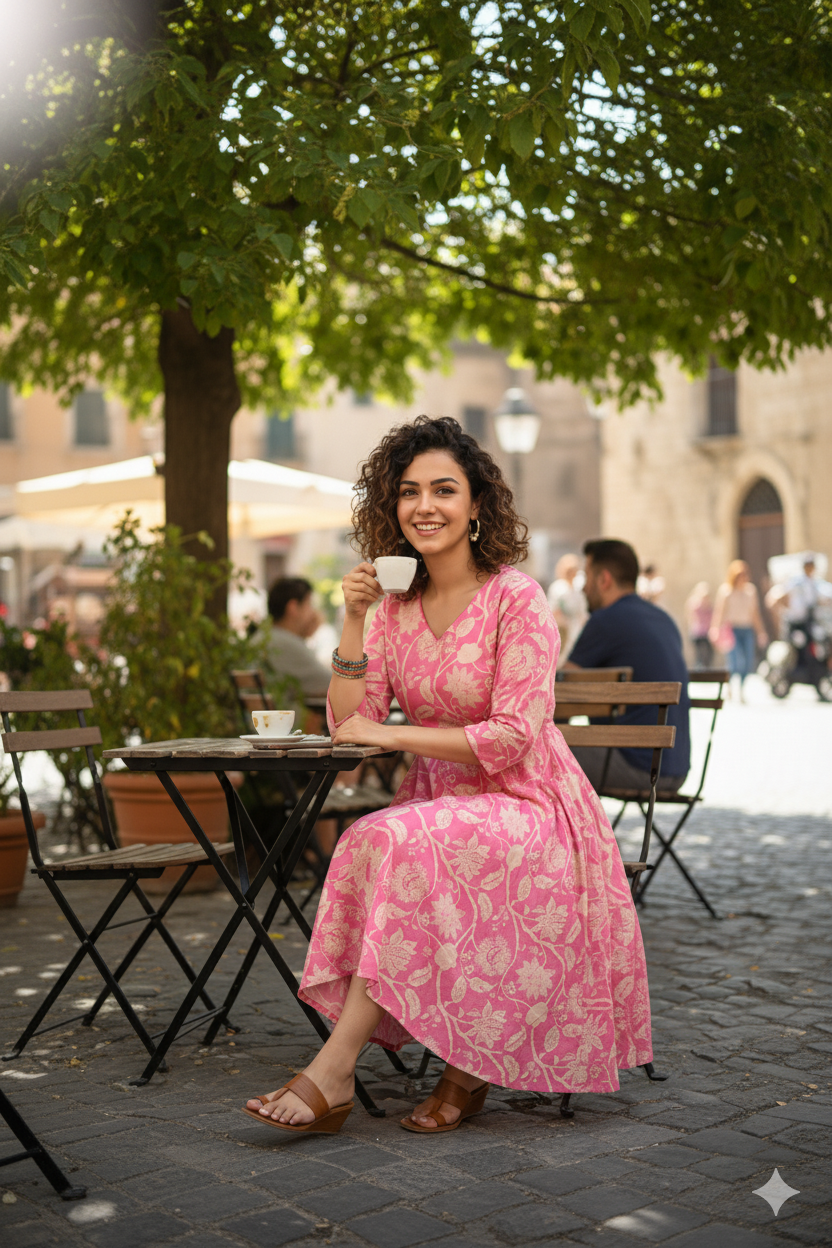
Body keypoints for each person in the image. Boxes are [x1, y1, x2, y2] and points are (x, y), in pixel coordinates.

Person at [244, 417, 652, 1136]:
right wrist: (351, 620)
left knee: (396, 841)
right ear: (391, 509)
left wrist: (393, 733)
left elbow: (515, 733)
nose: (424, 505)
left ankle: (338, 1072)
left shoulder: (515, 598)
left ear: (476, 506)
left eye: (443, 489)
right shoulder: (393, 611)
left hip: (530, 805)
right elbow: (350, 722)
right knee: (374, 837)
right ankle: (426, 1062)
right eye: (408, 492)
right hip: (438, 803)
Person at [563, 539, 691, 794]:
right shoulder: (664, 619)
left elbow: (561, 691)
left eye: (586, 578)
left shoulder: (605, 620)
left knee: (529, 750)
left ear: (604, 580)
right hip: (676, 768)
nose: (584, 589)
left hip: (633, 765)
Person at [264, 577, 331, 699]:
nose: (313, 612)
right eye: (309, 604)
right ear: (293, 607)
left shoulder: (266, 637)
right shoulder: (283, 643)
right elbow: (332, 683)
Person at [709, 560, 767, 698]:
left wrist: (761, 632)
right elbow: (720, 612)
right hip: (732, 629)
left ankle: (741, 688)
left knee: (748, 661)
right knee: (735, 662)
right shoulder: (726, 591)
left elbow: (755, 614)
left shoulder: (750, 591)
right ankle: (729, 685)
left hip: (747, 629)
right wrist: (715, 629)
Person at [546, 553, 588, 664]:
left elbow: (582, 613)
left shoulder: (578, 589)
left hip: (576, 629)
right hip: (563, 630)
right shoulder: (558, 588)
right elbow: (553, 611)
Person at [685, 582, 713, 669]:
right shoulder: (695, 604)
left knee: (709, 653)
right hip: (698, 632)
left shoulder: (709, 605)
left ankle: (706, 668)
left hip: (707, 632)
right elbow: (690, 617)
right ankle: (699, 668)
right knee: (699, 653)